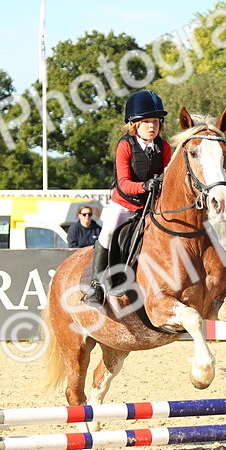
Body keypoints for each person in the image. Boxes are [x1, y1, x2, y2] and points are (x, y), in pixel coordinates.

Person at [82, 89, 172, 306]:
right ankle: (96, 287)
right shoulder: (125, 145)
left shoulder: (165, 147)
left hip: (151, 206)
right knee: (108, 232)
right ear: (135, 124)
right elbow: (123, 184)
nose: (152, 126)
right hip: (124, 204)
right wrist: (146, 185)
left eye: (156, 121)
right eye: (147, 121)